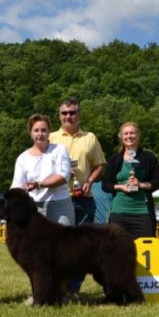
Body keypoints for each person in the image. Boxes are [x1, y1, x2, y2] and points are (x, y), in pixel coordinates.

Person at [102, 122, 159, 240]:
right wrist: (121, 187)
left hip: (143, 212)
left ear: (138, 136)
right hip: (119, 212)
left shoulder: (148, 157)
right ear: (121, 137)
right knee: (117, 250)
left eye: (132, 133)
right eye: (126, 133)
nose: (129, 136)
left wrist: (141, 184)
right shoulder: (115, 159)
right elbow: (105, 185)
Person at [49, 97, 106, 226]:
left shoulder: (90, 137)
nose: (68, 116)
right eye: (64, 113)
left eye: (72, 113)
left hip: (83, 197)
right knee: (60, 241)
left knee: (83, 241)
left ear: (79, 115)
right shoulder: (50, 138)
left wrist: (89, 181)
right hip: (57, 196)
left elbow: (99, 165)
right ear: (59, 116)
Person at [11, 114, 74, 225]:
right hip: (32, 208)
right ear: (30, 133)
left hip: (59, 205)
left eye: (44, 130)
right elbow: (17, 185)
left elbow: (64, 176)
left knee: (64, 242)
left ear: (49, 132)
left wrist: (39, 184)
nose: (40, 134)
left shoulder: (59, 150)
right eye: (36, 130)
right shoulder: (22, 158)